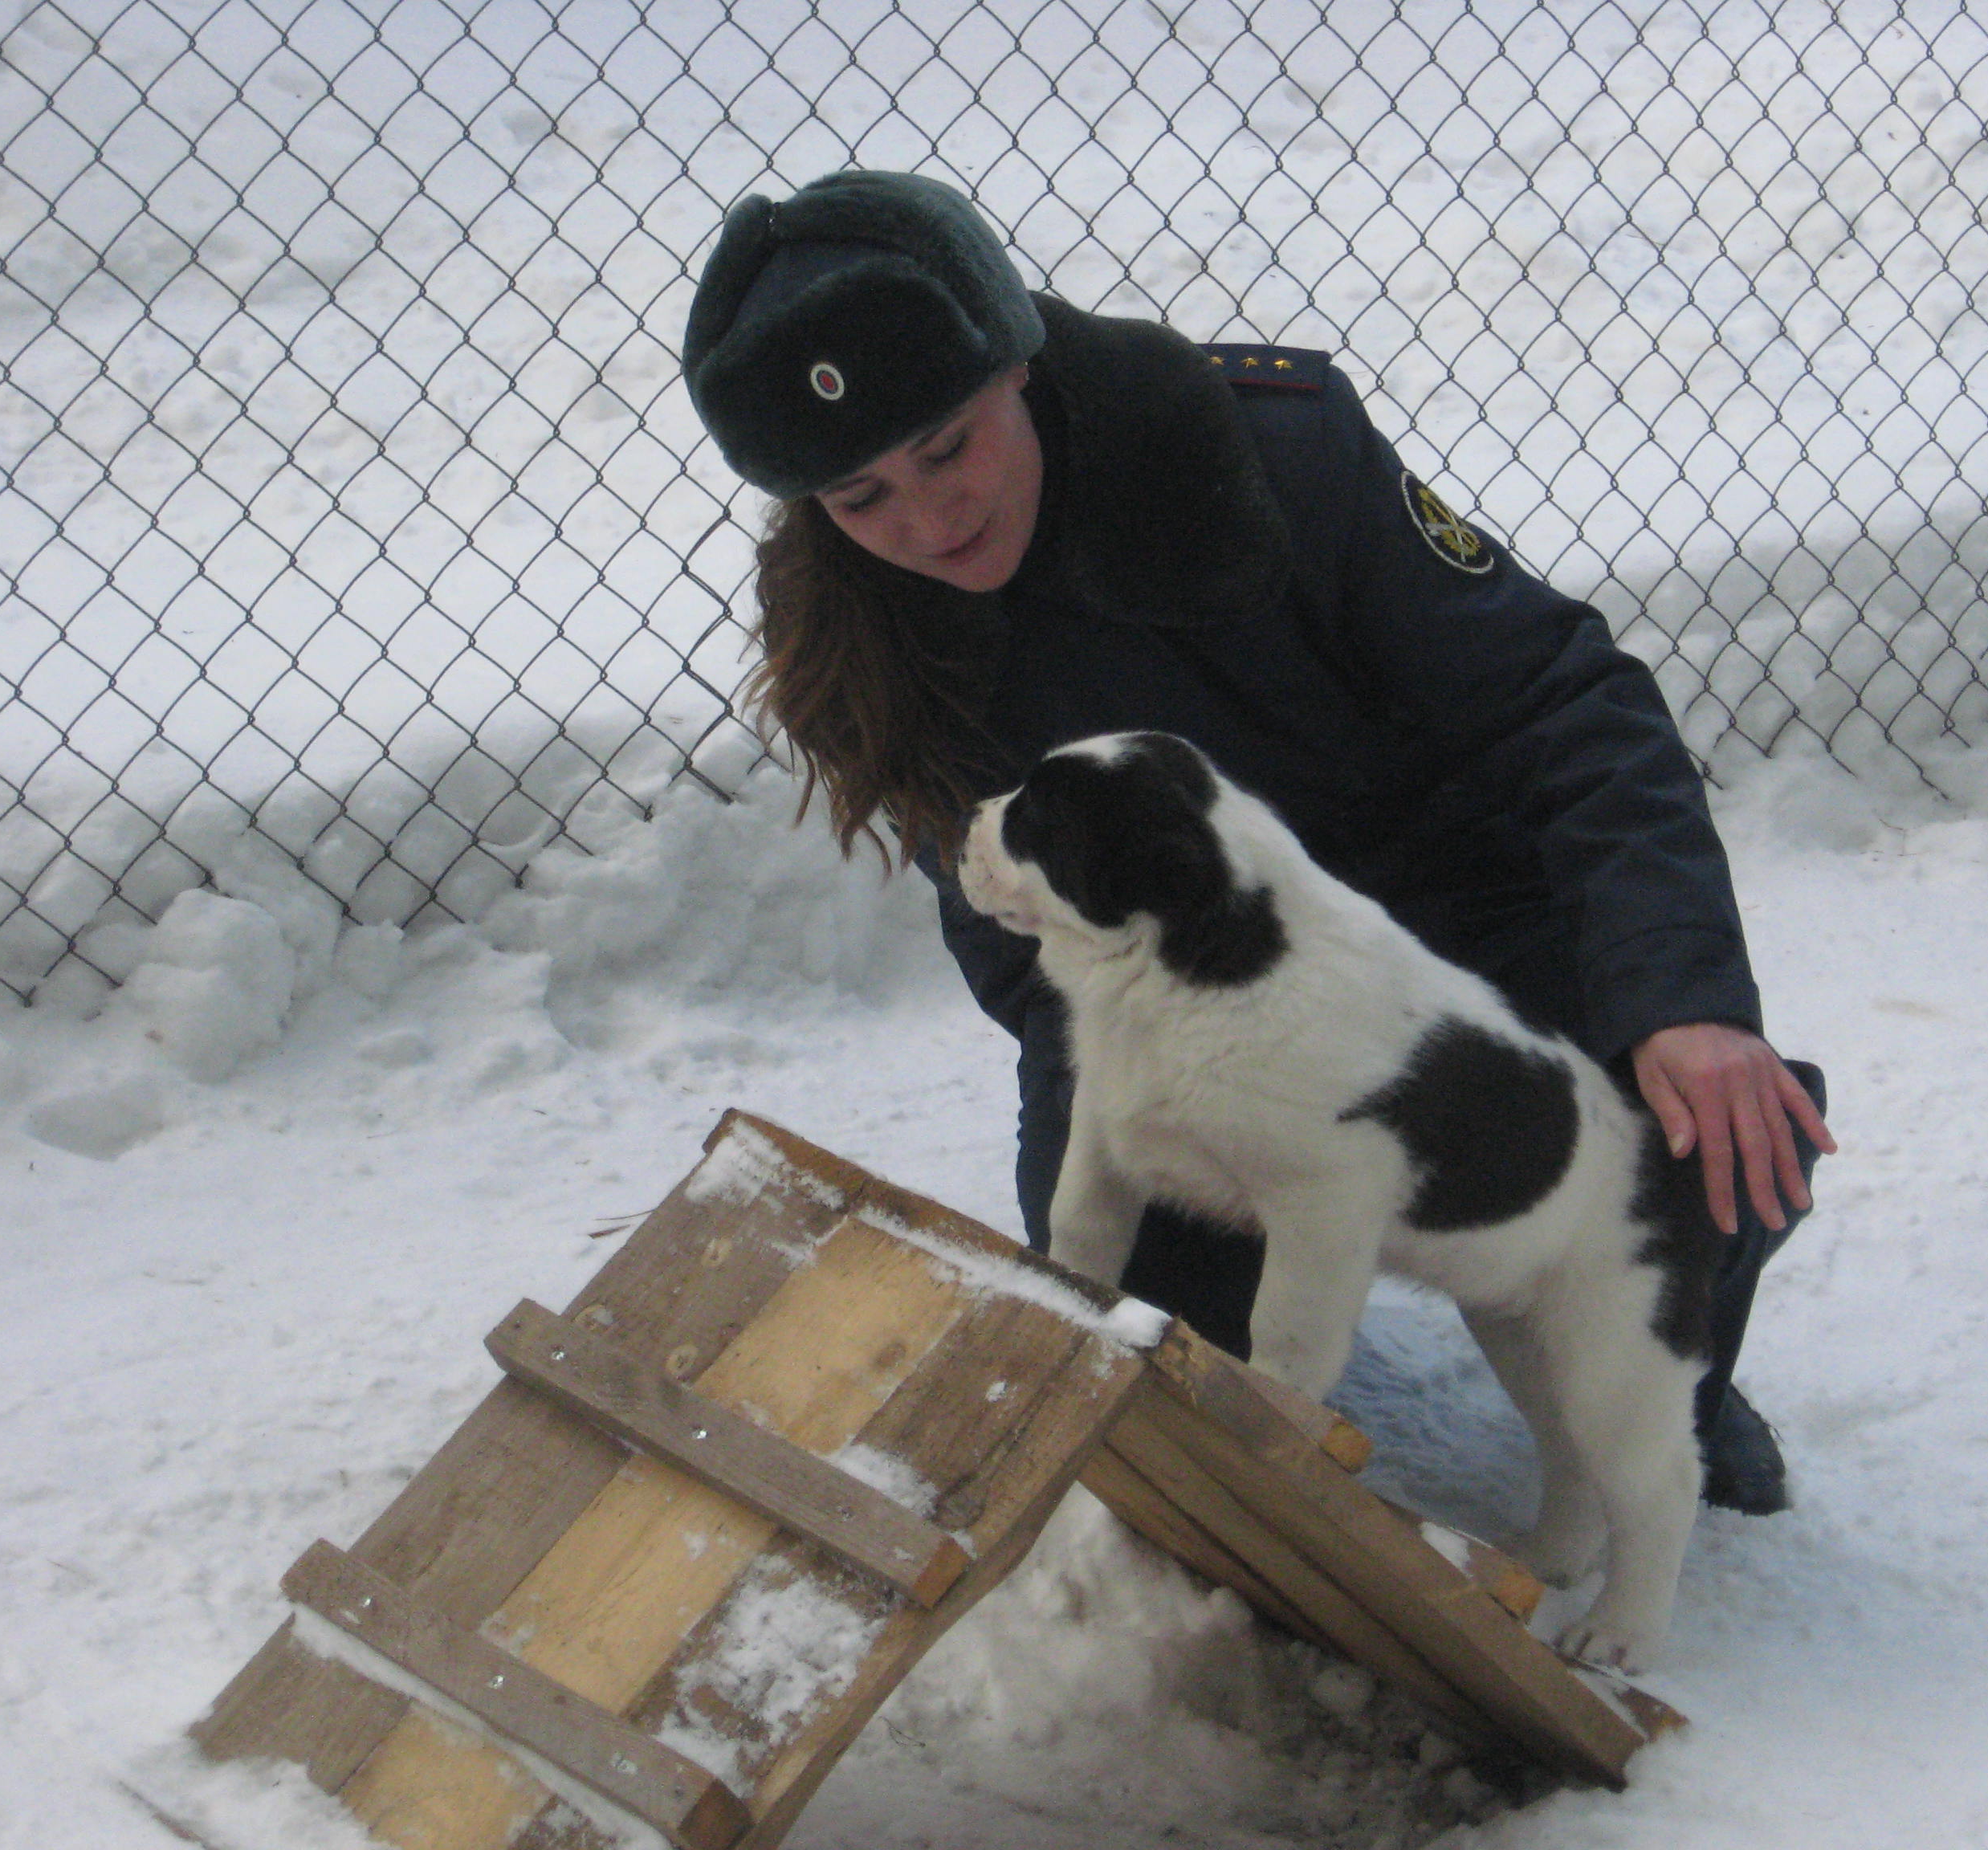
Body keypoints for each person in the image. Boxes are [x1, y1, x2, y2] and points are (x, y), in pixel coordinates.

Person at [678, 169, 1836, 1513]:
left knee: (1708, 1152)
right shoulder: (858, 633)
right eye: (863, 497)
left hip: (1458, 927)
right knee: (1150, 1358)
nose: (928, 522)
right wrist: (1166, 1085)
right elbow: (1011, 930)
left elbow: (1565, 706)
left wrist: (1679, 998)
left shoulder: (1262, 450)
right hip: (1190, 994)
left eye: (948, 445)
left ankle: (1668, 1387)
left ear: (1019, 366)